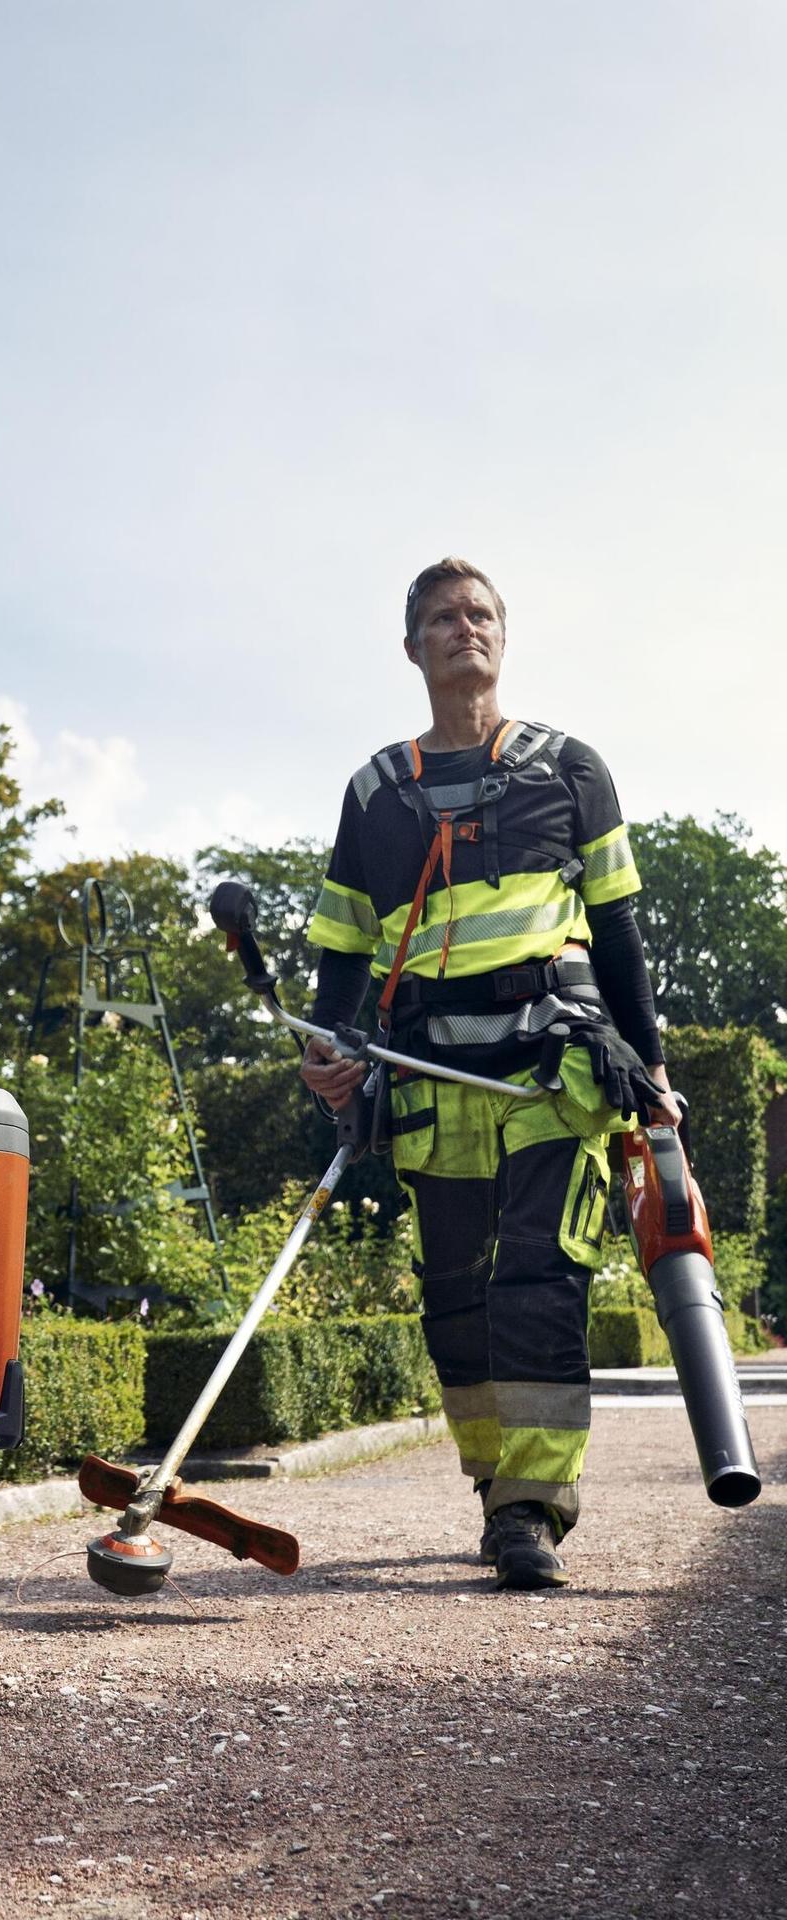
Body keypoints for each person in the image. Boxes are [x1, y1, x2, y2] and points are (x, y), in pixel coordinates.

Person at [301, 557, 681, 1592]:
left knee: (541, 1281)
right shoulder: (375, 793)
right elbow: (342, 950)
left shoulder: (571, 769)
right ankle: (493, 1484)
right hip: (429, 1075)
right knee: (454, 1302)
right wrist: (329, 1050)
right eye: (442, 617)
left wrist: (651, 1070)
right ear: (412, 647)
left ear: (502, 639)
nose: (463, 627)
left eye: (479, 614)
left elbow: (619, 934)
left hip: (555, 1068)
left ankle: (531, 1507)